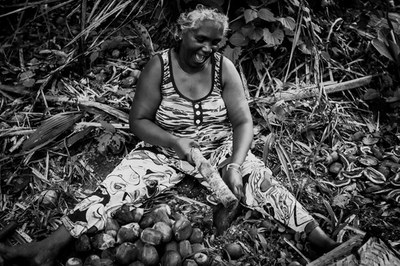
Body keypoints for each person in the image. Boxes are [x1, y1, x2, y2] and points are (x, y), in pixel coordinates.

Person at [0, 6, 339, 266]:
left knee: (262, 180)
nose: (206, 48)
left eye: (214, 42)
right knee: (115, 187)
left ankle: (316, 235)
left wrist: (234, 164)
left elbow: (243, 123)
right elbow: (139, 121)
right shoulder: (159, 67)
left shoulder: (225, 69)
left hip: (218, 149)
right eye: (200, 39)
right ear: (183, 33)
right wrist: (175, 143)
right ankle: (49, 247)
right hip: (163, 151)